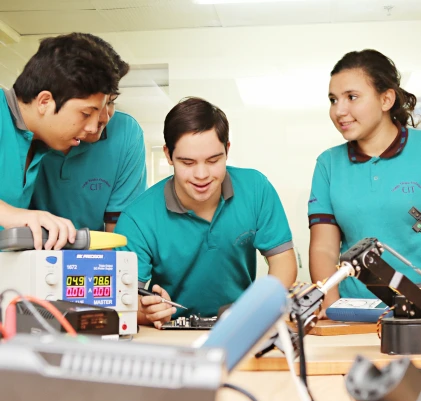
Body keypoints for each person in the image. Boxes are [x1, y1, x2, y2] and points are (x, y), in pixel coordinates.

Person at [115, 97, 297, 328]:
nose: (201, 175)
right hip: (172, 333)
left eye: (213, 160)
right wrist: (148, 311)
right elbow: (123, 301)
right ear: (168, 156)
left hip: (242, 326)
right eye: (188, 163)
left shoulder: (256, 188)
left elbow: (283, 261)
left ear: (227, 150)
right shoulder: (137, 218)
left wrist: (260, 309)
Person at [308, 49, 420, 311]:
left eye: (352, 97)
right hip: (355, 310)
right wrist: (330, 301)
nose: (339, 110)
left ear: (386, 99)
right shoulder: (328, 164)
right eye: (333, 100)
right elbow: (324, 246)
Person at [0, 32, 120, 250]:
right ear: (45, 101)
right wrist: (11, 215)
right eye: (85, 114)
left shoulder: (37, 143)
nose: (94, 128)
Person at [31, 36, 147, 233]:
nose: (101, 119)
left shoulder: (127, 133)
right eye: (87, 111)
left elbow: (119, 235)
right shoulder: (22, 131)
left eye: (110, 102)